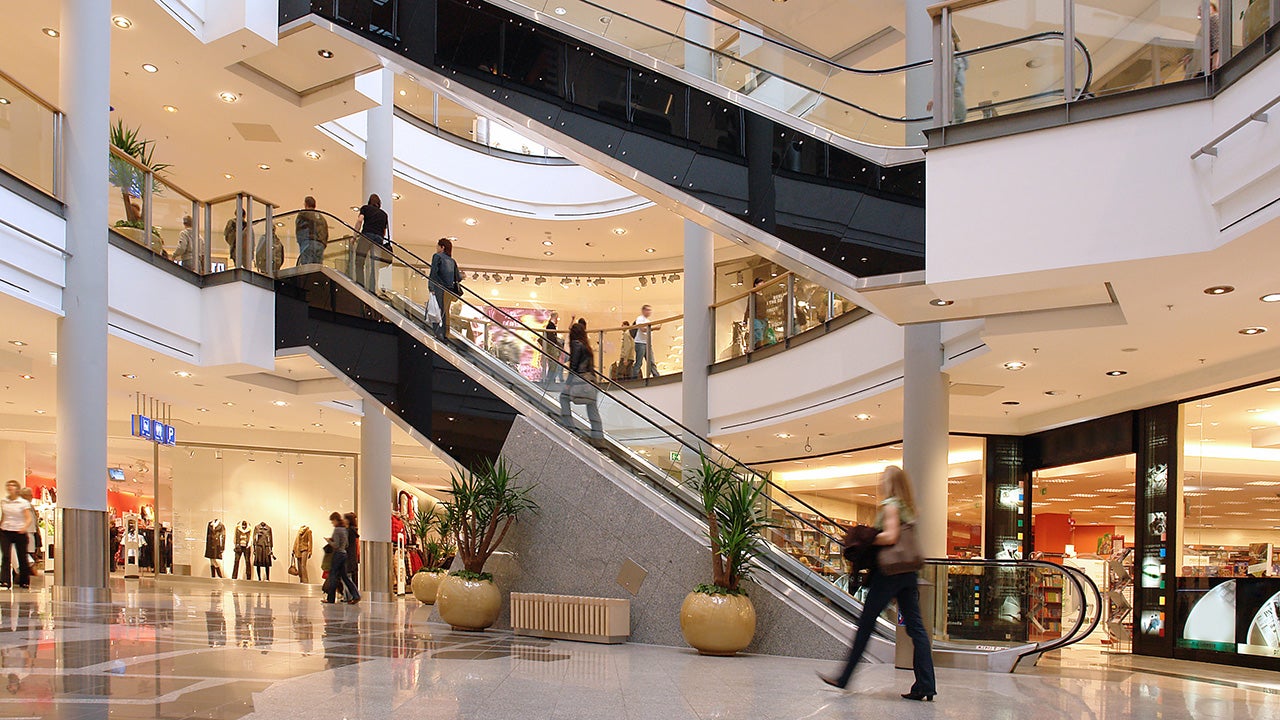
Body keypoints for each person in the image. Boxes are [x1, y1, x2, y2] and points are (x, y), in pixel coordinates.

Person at [820, 466, 935, 702]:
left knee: (866, 624)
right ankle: (926, 684)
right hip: (908, 572)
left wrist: (868, 537)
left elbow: (891, 536)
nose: (882, 482)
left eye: (884, 479)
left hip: (889, 573)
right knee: (916, 629)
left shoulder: (891, 504)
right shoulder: (908, 508)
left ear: (891, 483)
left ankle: (844, 677)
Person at [559, 322, 604, 442]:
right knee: (592, 408)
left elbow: (573, 366)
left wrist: (568, 384)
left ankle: (570, 427)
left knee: (563, 398)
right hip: (591, 381)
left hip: (580, 380)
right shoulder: (586, 345)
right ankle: (598, 437)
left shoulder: (576, 344)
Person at [0, 481, 34, 590]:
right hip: (6, 530)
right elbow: (4, 516)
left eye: (13, 486)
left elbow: (28, 517)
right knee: (6, 556)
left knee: (22, 557)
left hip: (19, 531)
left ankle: (24, 581)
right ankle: (4, 580)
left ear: (17, 489)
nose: (10, 488)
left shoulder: (23, 503)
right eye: (8, 486)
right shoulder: (4, 502)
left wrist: (24, 527)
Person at [353, 194, 390, 291]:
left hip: (367, 236)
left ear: (370, 201)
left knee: (360, 261)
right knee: (374, 265)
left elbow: (360, 220)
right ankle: (372, 289)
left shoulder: (365, 208)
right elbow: (384, 231)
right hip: (378, 239)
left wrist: (354, 236)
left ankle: (360, 284)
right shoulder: (384, 214)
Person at [428, 237, 463, 340]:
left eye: (438, 246)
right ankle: (445, 334)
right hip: (449, 290)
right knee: (445, 312)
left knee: (435, 309)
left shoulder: (437, 257)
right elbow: (458, 278)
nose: (437, 248)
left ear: (442, 247)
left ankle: (436, 332)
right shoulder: (452, 261)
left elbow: (433, 272)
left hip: (439, 288)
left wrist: (431, 287)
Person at [321, 512, 359, 605]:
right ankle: (356, 595)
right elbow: (346, 544)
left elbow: (336, 545)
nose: (332, 523)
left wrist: (329, 541)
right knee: (345, 577)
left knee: (333, 576)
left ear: (335, 520)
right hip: (344, 554)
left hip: (338, 555)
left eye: (332, 521)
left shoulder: (337, 530)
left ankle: (330, 599)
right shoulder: (344, 530)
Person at [296, 196, 329, 266]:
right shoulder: (322, 218)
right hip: (320, 245)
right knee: (318, 267)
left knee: (307, 267)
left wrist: (300, 242)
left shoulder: (303, 214)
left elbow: (299, 229)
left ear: (306, 204)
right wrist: (323, 244)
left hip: (308, 242)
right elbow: (326, 233)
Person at [633, 305, 661, 378]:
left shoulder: (648, 321)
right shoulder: (639, 319)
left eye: (650, 310)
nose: (649, 312)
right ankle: (634, 377)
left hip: (647, 343)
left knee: (651, 361)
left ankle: (656, 376)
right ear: (643, 311)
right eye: (647, 310)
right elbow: (642, 329)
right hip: (640, 343)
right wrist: (654, 328)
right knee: (639, 362)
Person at [542, 311, 563, 385]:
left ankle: (550, 379)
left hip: (551, 347)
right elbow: (552, 338)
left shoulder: (550, 325)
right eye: (557, 318)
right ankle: (550, 380)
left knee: (553, 365)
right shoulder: (550, 326)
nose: (558, 320)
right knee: (553, 364)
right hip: (552, 348)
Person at [343, 512, 360, 603]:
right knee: (346, 577)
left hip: (347, 558)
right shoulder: (352, 531)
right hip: (350, 558)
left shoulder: (349, 531)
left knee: (346, 578)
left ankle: (352, 596)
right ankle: (348, 596)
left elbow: (345, 544)